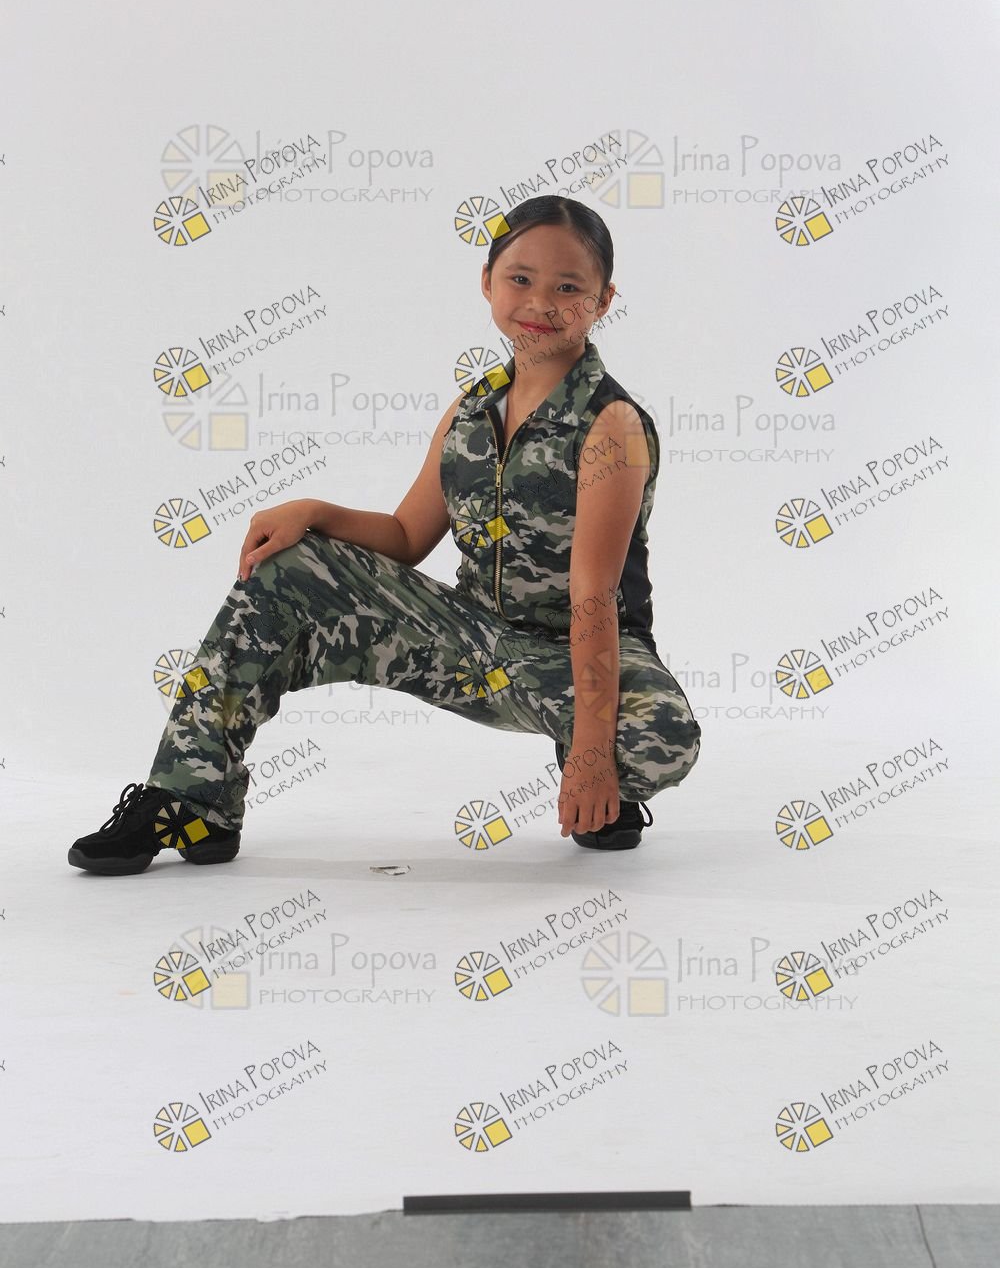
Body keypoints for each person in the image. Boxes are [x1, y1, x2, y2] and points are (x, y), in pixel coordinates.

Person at [67, 195, 701, 875]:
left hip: (576, 654)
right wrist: (316, 511)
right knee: (286, 565)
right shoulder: (472, 410)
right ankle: (193, 801)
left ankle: (595, 767)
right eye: (520, 278)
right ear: (487, 282)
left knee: (658, 738)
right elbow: (404, 537)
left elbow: (593, 595)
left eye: (568, 288)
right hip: (471, 643)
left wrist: (592, 755)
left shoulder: (611, 425)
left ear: (603, 301)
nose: (541, 302)